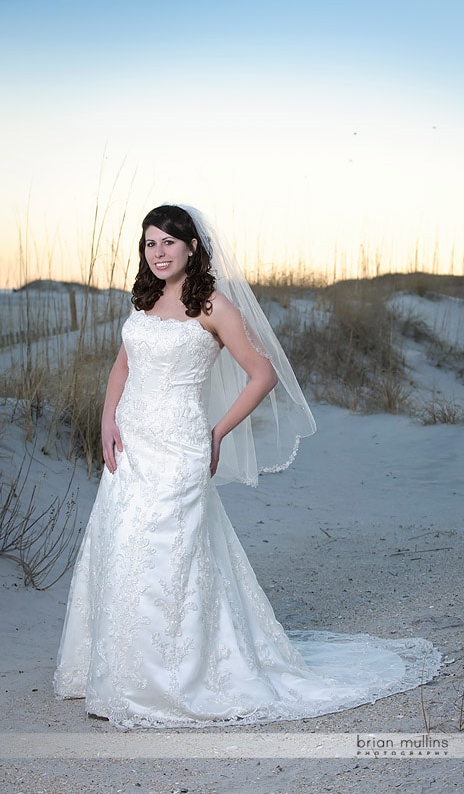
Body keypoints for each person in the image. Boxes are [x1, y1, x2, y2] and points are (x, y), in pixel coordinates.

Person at [54, 204, 440, 729]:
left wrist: (216, 431)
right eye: (150, 244)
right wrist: (107, 421)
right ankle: (114, 672)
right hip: (132, 445)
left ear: (192, 247)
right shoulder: (143, 301)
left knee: (170, 555)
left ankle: (169, 679)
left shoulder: (211, 304)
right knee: (121, 544)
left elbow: (263, 373)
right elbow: (124, 362)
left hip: (180, 445)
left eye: (169, 242)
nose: (159, 252)